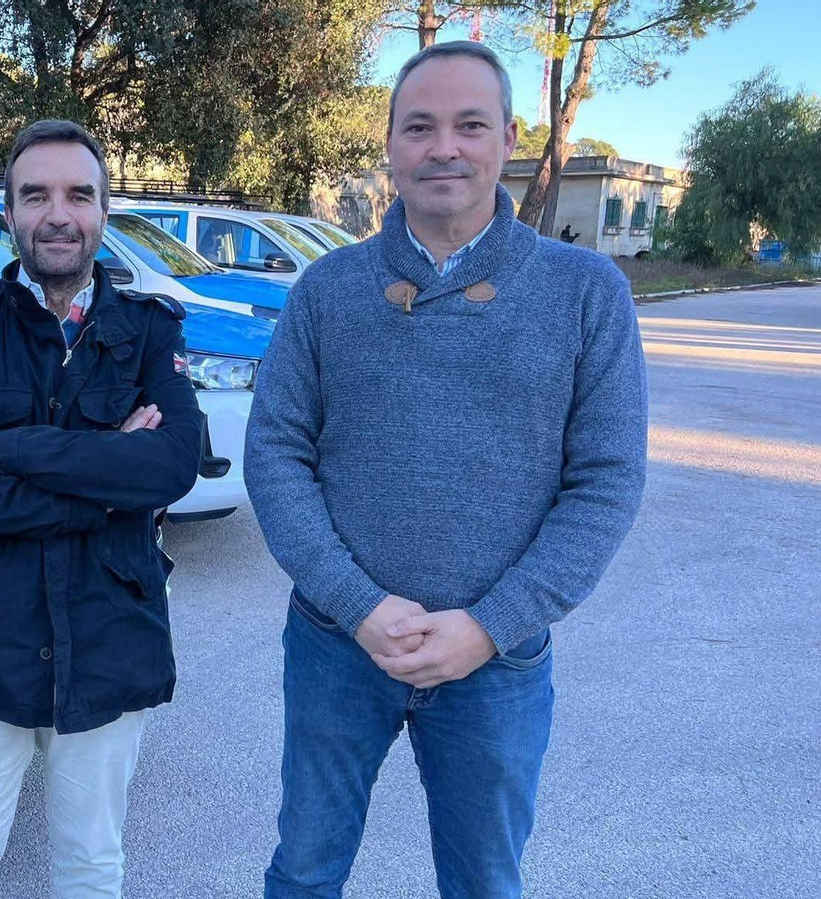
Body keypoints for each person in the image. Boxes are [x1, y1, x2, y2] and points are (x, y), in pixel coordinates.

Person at [243, 41, 648, 899]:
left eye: (470, 125)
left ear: (508, 140)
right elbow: (276, 452)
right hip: (335, 645)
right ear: (390, 144)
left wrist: (490, 624)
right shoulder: (326, 289)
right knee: (305, 871)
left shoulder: (585, 293)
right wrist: (359, 605)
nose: (444, 147)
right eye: (419, 126)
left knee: (485, 883)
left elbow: (606, 481)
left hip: (496, 661)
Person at [0, 119, 203, 899]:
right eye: (35, 195)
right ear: (9, 215)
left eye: (79, 194)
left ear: (105, 213)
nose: (57, 213)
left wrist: (6, 447)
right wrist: (107, 489)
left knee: (91, 868)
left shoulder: (147, 332)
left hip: (108, 638)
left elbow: (172, 465)